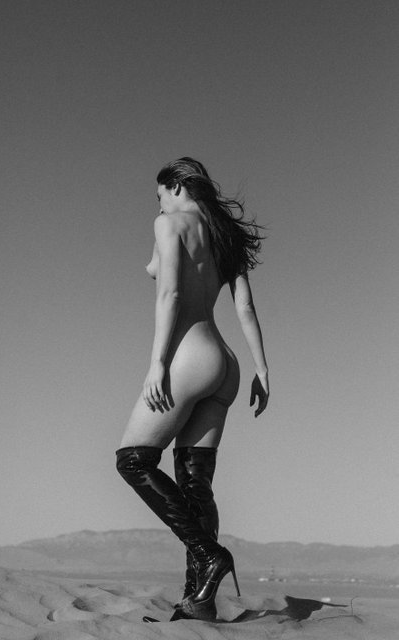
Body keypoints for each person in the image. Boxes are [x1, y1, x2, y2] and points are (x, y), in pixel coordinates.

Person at [116, 157, 269, 621]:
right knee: (195, 482)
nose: (158, 204)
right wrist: (263, 370)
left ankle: (209, 554)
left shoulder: (169, 223)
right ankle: (198, 600)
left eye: (160, 194)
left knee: (133, 460)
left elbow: (171, 293)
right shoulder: (226, 236)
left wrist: (158, 364)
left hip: (189, 356)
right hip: (226, 364)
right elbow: (245, 306)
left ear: (177, 186)